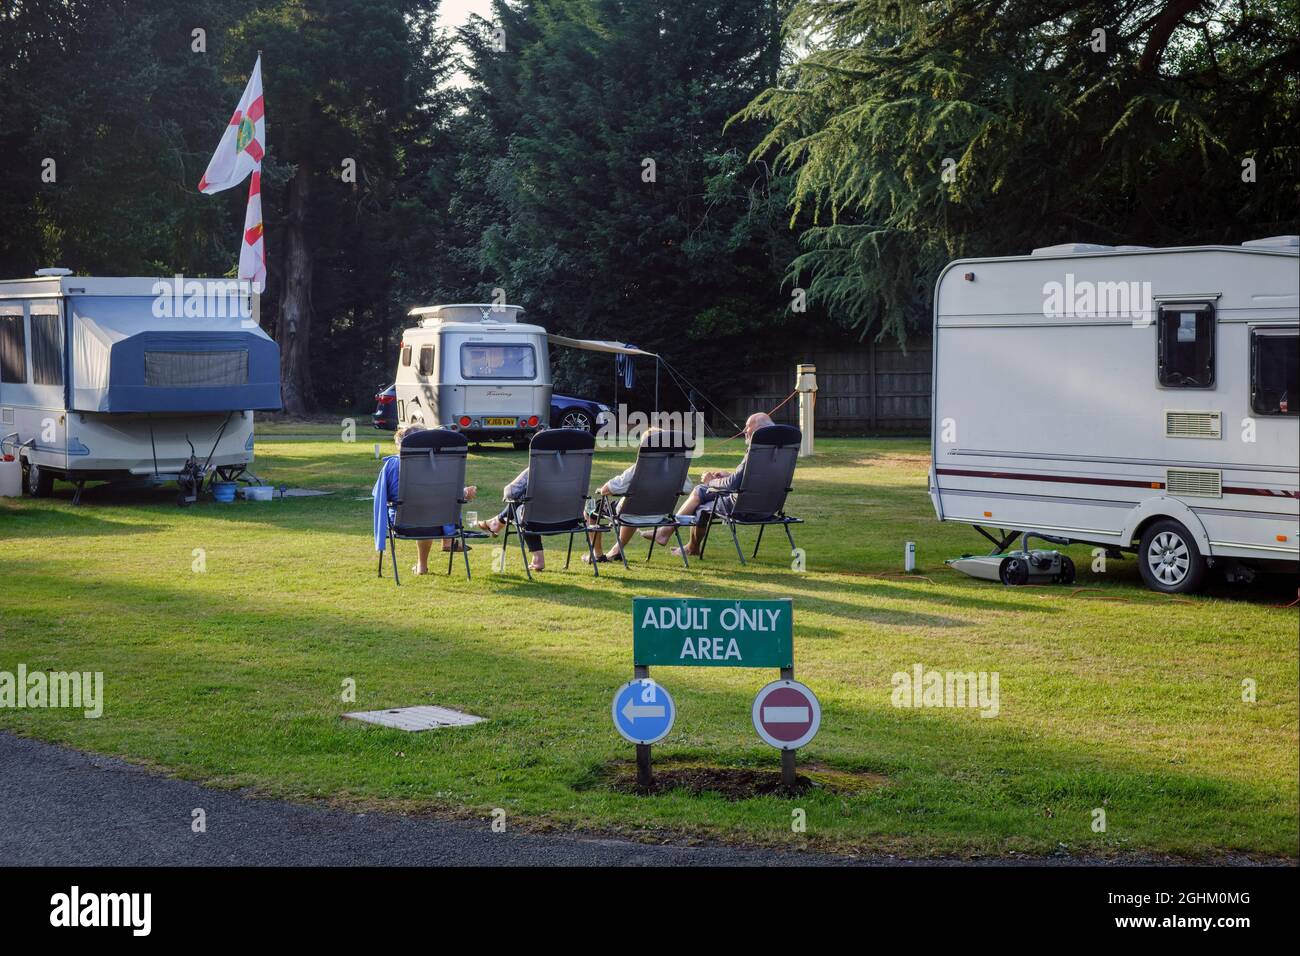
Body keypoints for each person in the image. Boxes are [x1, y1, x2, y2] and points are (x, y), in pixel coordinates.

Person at [647, 412, 774, 557]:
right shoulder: (780, 451)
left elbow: (732, 485)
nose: (744, 431)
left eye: (748, 427)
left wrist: (711, 481)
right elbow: (755, 479)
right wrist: (729, 475)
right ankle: (670, 535)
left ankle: (682, 543)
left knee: (701, 507)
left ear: (760, 429)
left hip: (743, 506)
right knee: (700, 491)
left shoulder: (755, 451)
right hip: (769, 506)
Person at [373, 424, 477, 576]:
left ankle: (422, 567)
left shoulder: (392, 464)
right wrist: (463, 492)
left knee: (422, 509)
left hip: (403, 524)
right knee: (429, 508)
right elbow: (446, 492)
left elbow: (379, 495)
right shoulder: (441, 465)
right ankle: (444, 544)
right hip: (437, 525)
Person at [584, 428, 693, 563]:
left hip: (632, 512)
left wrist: (602, 490)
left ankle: (598, 555)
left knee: (591, 511)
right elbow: (688, 488)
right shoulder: (676, 472)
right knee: (633, 507)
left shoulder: (636, 470)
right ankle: (616, 552)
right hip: (659, 514)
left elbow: (608, 489)